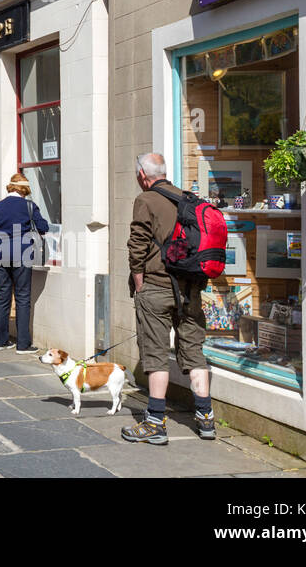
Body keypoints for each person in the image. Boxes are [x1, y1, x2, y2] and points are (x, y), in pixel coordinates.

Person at [122, 152, 214, 446]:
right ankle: (206, 419)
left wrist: (138, 277)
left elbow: (137, 241)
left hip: (157, 287)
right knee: (194, 349)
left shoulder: (146, 200)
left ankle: (154, 424)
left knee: (156, 353)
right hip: (190, 289)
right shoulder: (189, 198)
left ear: (142, 175)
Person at [0, 173, 48, 354]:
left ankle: (0, 341)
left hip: (0, 254)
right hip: (22, 253)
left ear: (10, 188)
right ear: (24, 189)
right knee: (23, 297)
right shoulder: (29, 206)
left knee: (2, 296)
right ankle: (23, 344)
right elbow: (43, 227)